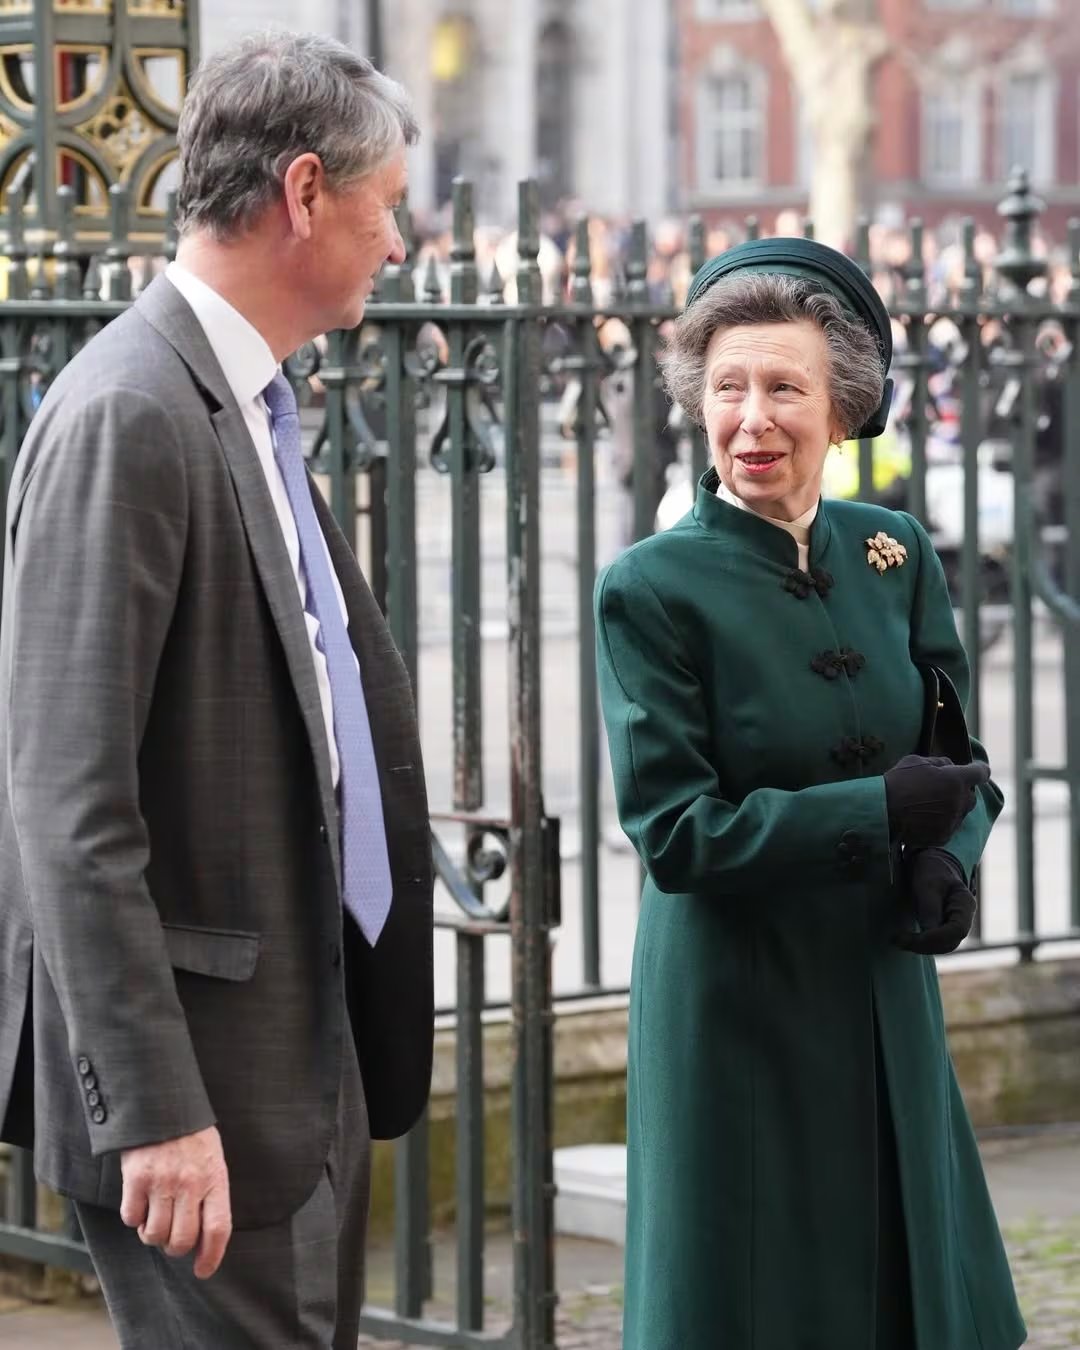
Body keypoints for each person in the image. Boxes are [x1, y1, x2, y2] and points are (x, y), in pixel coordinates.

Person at [0, 31, 433, 1349]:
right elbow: (69, 801)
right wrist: (154, 1106)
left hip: (297, 1054)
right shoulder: (130, 412)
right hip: (199, 1096)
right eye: (389, 206)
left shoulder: (240, 396)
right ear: (306, 193)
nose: (399, 245)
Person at [594, 238, 1026, 1350]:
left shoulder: (894, 553)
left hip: (880, 982)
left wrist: (949, 854)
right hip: (737, 1002)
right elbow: (676, 835)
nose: (754, 420)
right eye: (729, 389)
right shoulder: (649, 589)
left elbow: (956, 763)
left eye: (785, 388)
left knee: (900, 1295)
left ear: (841, 412)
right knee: (761, 1301)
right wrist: (882, 818)